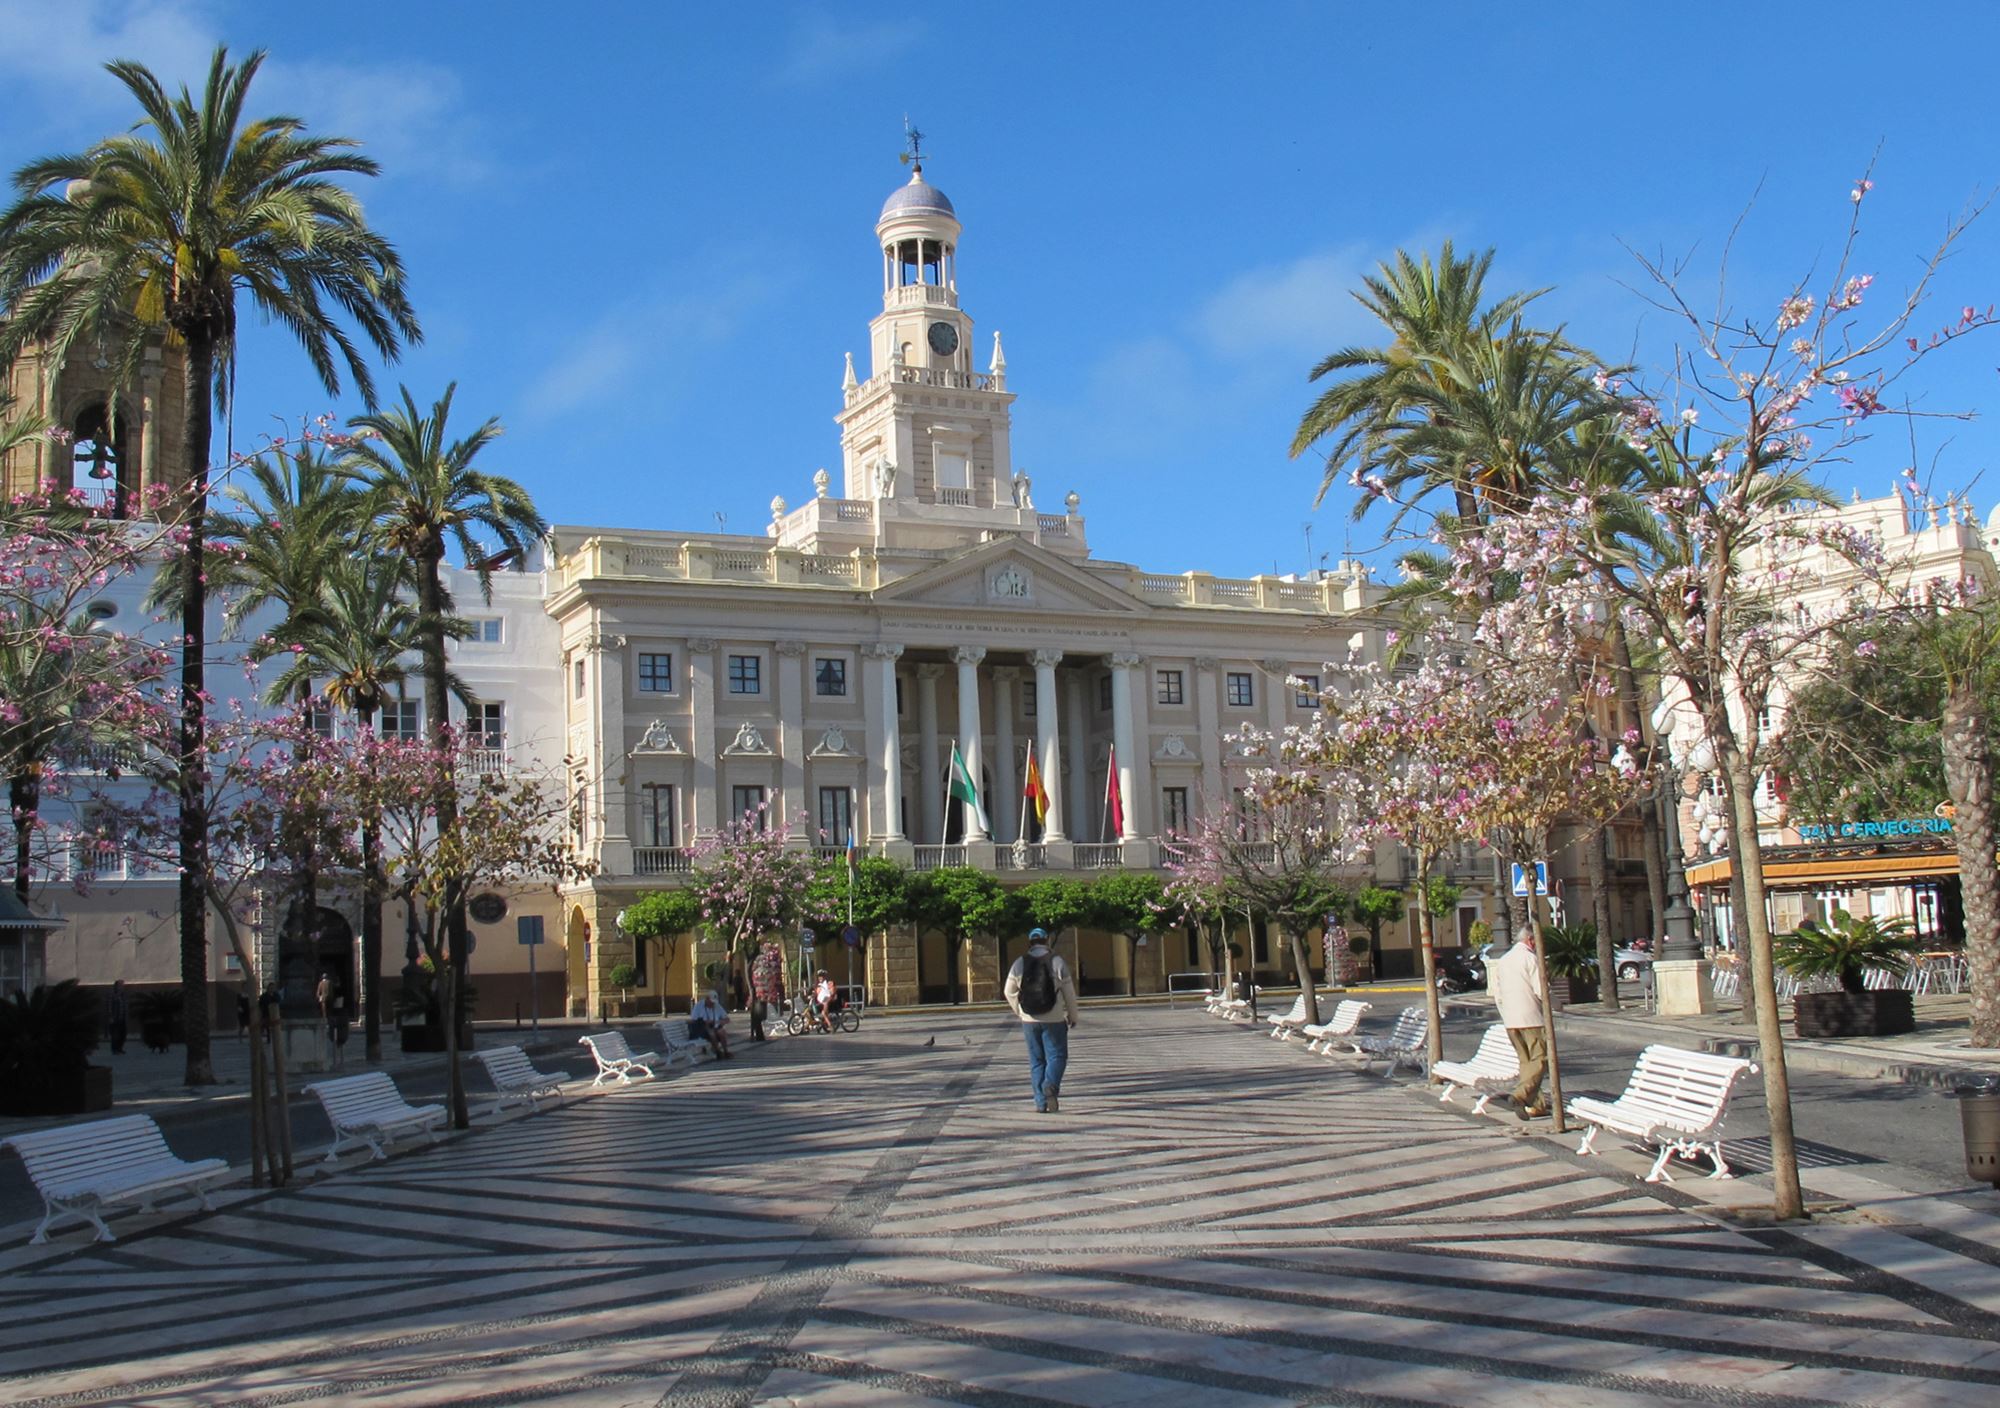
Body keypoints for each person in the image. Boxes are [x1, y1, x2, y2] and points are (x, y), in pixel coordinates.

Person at [1003, 927, 1079, 1113]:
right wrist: (1072, 1015)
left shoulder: (1019, 963)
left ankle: (1040, 1102)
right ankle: (1050, 1084)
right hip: (1054, 1018)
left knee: (1036, 1061)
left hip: (1029, 1019)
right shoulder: (1057, 961)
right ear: (1047, 940)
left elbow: (1008, 991)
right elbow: (1069, 993)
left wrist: (1020, 1011)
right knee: (1058, 1056)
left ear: (1029, 943)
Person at [1489, 931, 1549, 1118]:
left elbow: (1497, 994)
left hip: (1511, 1021)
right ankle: (1520, 1096)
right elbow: (1541, 990)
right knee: (1540, 1060)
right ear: (1530, 940)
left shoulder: (1504, 960)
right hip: (1532, 1019)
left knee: (1526, 1062)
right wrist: (1557, 1005)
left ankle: (1536, 1105)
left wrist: (1505, 1015)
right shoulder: (1530, 959)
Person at [750, 941, 784, 1040]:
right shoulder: (762, 963)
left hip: (765, 993)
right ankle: (758, 1033)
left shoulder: (767, 965)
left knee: (762, 1014)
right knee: (760, 1014)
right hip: (763, 994)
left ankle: (758, 1033)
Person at [688, 989, 733, 1059]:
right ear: (707, 999)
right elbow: (693, 1021)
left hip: (715, 1027)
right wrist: (705, 1022)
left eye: (713, 1002)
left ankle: (726, 1051)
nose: (712, 1004)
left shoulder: (717, 1006)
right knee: (711, 1033)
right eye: (711, 1002)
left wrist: (722, 1022)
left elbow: (727, 1019)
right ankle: (718, 1051)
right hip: (701, 1030)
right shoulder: (698, 1006)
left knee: (721, 1032)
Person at [106, 980, 128, 1055]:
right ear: (116, 986)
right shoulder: (112, 994)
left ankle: (119, 1048)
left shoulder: (123, 994)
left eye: (122, 985)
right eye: (120, 985)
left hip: (122, 1017)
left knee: (123, 1034)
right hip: (115, 1017)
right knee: (115, 1035)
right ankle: (115, 1049)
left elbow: (125, 1005)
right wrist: (110, 1016)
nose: (122, 987)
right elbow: (109, 1006)